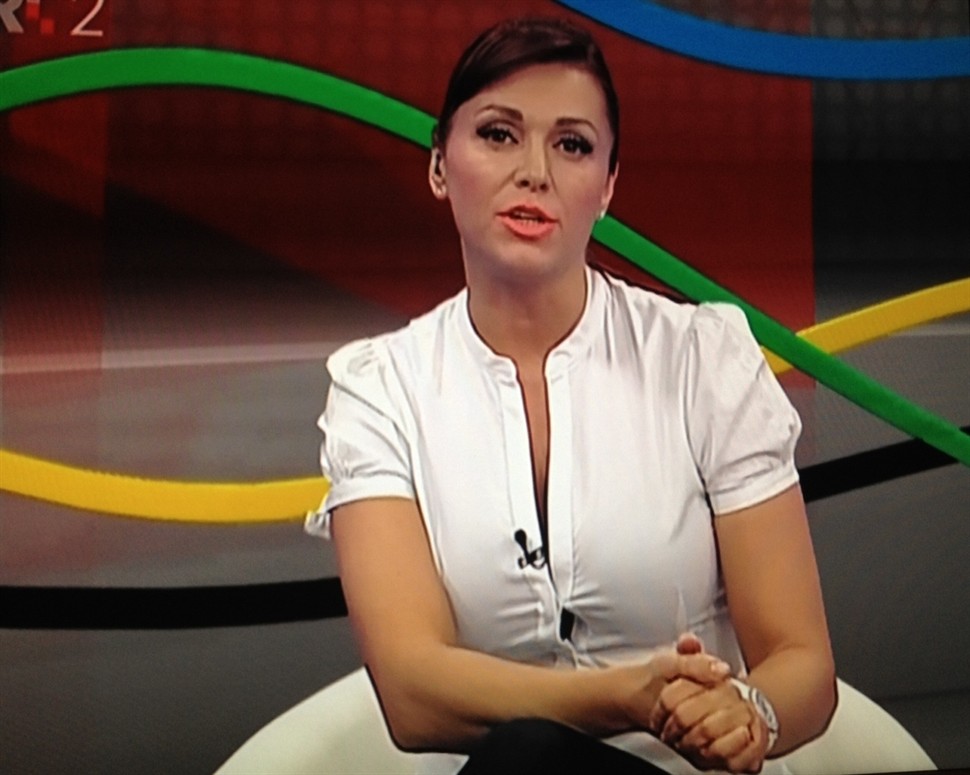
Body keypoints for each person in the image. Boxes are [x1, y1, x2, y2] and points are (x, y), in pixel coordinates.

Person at [306, 17, 835, 775]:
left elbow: (804, 666)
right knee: (524, 757)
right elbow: (412, 695)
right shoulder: (380, 389)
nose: (535, 172)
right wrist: (632, 696)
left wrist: (750, 711)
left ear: (609, 186)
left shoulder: (702, 358)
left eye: (573, 145)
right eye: (498, 134)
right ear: (439, 164)